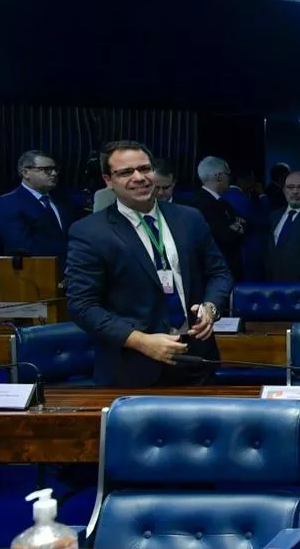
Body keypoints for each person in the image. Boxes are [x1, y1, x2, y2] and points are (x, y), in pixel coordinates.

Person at [64, 141, 231, 387]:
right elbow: (82, 305)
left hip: (196, 359)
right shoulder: (89, 232)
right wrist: (140, 341)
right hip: (131, 367)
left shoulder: (189, 218)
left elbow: (219, 273)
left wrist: (211, 307)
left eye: (145, 169)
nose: (139, 177)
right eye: (125, 172)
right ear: (108, 180)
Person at [0, 150, 73, 263]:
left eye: (55, 169)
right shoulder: (7, 202)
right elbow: (19, 246)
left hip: (71, 272)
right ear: (25, 173)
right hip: (34, 273)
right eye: (47, 170)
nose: (54, 173)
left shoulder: (62, 200)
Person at [266, 171, 300, 282]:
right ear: (284, 190)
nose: (295, 191)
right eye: (290, 187)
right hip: (274, 287)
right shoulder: (274, 216)